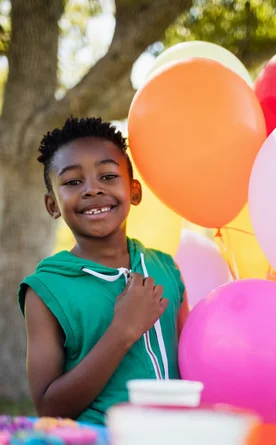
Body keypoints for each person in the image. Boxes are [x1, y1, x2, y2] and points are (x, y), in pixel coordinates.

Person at [18, 117, 189, 425]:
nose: (92, 190)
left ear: (134, 191)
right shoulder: (46, 290)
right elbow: (49, 407)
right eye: (72, 182)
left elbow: (193, 365)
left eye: (108, 176)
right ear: (52, 205)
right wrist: (122, 331)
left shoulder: (166, 268)